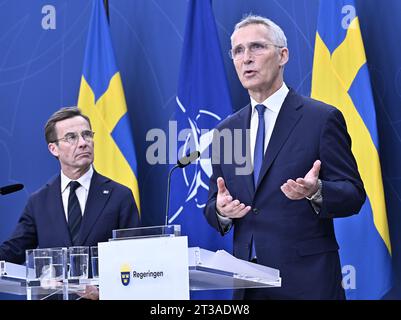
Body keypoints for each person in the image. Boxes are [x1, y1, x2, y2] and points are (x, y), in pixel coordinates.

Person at [204, 15, 366, 300]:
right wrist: (221, 211)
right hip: (247, 284)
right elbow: (213, 204)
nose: (246, 58)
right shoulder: (225, 131)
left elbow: (353, 194)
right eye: (238, 51)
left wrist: (317, 191)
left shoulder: (321, 119)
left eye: (257, 47)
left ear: (283, 55)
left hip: (306, 281)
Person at [0, 107, 140, 264]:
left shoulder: (119, 196)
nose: (82, 143)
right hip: (56, 290)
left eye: (87, 135)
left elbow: (132, 258)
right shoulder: (39, 202)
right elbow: (12, 252)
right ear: (54, 149)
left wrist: (102, 289)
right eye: (71, 137)